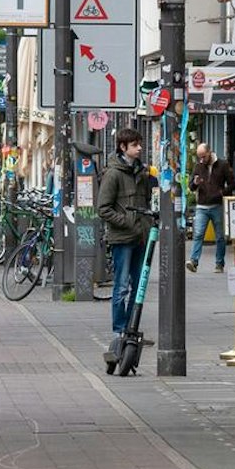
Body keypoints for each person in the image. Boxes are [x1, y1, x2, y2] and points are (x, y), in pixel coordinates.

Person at [96, 129, 157, 350]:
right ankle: (120, 330)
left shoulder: (141, 172)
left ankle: (132, 329)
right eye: (134, 145)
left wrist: (148, 223)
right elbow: (103, 209)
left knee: (138, 286)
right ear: (123, 148)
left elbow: (149, 200)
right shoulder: (113, 174)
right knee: (121, 286)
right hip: (122, 237)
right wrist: (127, 221)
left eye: (139, 144)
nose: (139, 148)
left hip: (141, 236)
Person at [187, 142, 235, 274]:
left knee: (220, 237)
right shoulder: (198, 166)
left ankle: (219, 263)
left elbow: (233, 184)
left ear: (209, 152)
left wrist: (222, 193)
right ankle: (194, 261)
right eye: (199, 157)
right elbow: (191, 186)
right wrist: (194, 184)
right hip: (202, 206)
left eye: (203, 156)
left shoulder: (223, 165)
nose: (201, 159)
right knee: (198, 234)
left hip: (217, 206)